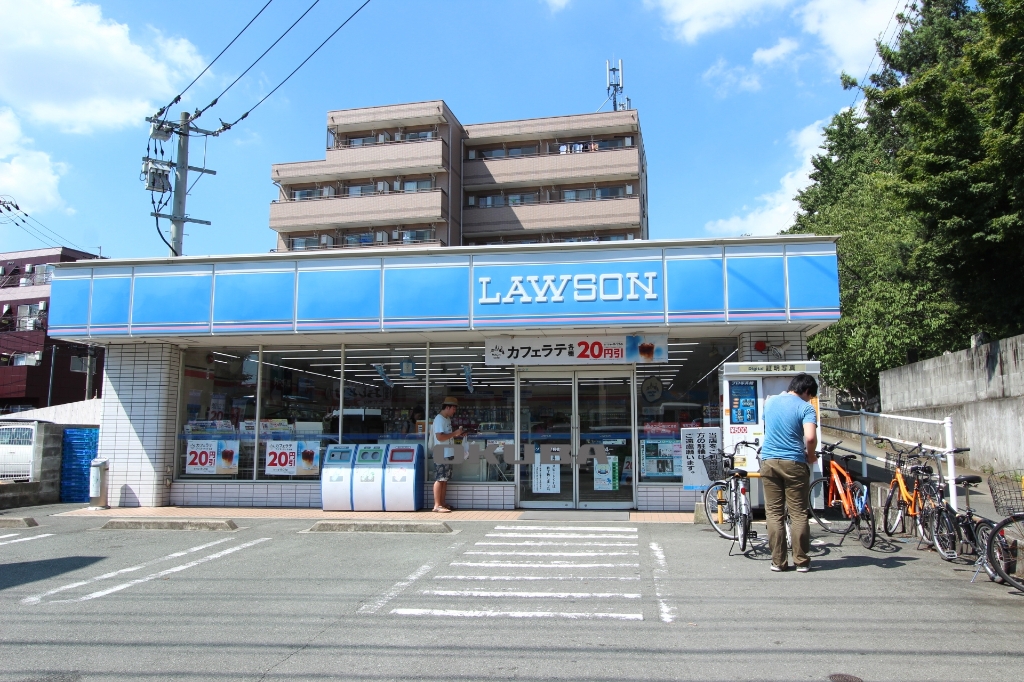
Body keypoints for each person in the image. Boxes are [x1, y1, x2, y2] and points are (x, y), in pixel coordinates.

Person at [760, 373, 818, 573]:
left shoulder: (770, 403)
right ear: (807, 391)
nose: (810, 400)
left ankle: (778, 562)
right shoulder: (805, 407)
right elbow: (810, 438)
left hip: (768, 461)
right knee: (798, 513)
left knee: (774, 513)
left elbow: (768, 426)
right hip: (794, 462)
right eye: (810, 396)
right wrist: (811, 456)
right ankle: (801, 561)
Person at [430, 396, 464, 513]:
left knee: (445, 479)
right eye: (453, 409)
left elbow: (447, 435)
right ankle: (437, 505)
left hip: (447, 451)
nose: (454, 411)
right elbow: (439, 437)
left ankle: (442, 503)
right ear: (448, 407)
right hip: (441, 452)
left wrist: (457, 434)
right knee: (440, 478)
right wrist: (455, 433)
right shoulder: (439, 419)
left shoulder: (447, 419)